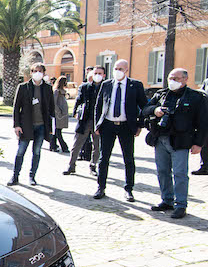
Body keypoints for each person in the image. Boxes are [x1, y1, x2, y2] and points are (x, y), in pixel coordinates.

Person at [142, 68, 208, 218]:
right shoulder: (161, 94)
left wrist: (199, 143)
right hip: (161, 138)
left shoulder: (196, 97)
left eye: (176, 79)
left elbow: (203, 122)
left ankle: (181, 205)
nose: (172, 81)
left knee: (180, 174)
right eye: (170, 78)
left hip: (181, 141)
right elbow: (145, 109)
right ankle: (167, 200)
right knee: (162, 171)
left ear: (185, 79)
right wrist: (155, 110)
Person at [93, 59, 147, 201]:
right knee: (103, 158)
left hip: (126, 126)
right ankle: (101, 187)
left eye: (121, 69)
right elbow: (98, 105)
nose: (117, 71)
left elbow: (144, 106)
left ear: (126, 70)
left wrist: (140, 125)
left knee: (128, 159)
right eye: (116, 68)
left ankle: (128, 189)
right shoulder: (106, 84)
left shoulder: (135, 85)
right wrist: (97, 125)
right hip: (108, 125)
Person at [8, 64, 54, 186]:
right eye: (35, 71)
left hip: (41, 125)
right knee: (20, 151)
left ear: (44, 73)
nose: (37, 73)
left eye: (40, 71)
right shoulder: (23, 87)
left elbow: (51, 108)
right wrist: (16, 125)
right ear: (31, 72)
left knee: (37, 152)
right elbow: (16, 107)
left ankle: (32, 176)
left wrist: (51, 127)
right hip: (26, 125)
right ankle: (15, 176)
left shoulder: (47, 88)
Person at [65, 67, 103, 175]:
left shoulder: (105, 87)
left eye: (99, 73)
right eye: (95, 73)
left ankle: (93, 166)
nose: (97, 75)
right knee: (77, 144)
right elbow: (79, 100)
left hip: (98, 121)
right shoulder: (85, 87)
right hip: (84, 120)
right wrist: (75, 112)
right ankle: (71, 165)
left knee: (97, 146)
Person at [50, 76, 70, 153]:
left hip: (62, 115)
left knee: (56, 131)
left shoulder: (62, 91)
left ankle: (53, 146)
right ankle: (64, 147)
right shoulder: (57, 91)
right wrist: (59, 112)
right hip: (58, 115)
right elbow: (54, 103)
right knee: (57, 131)